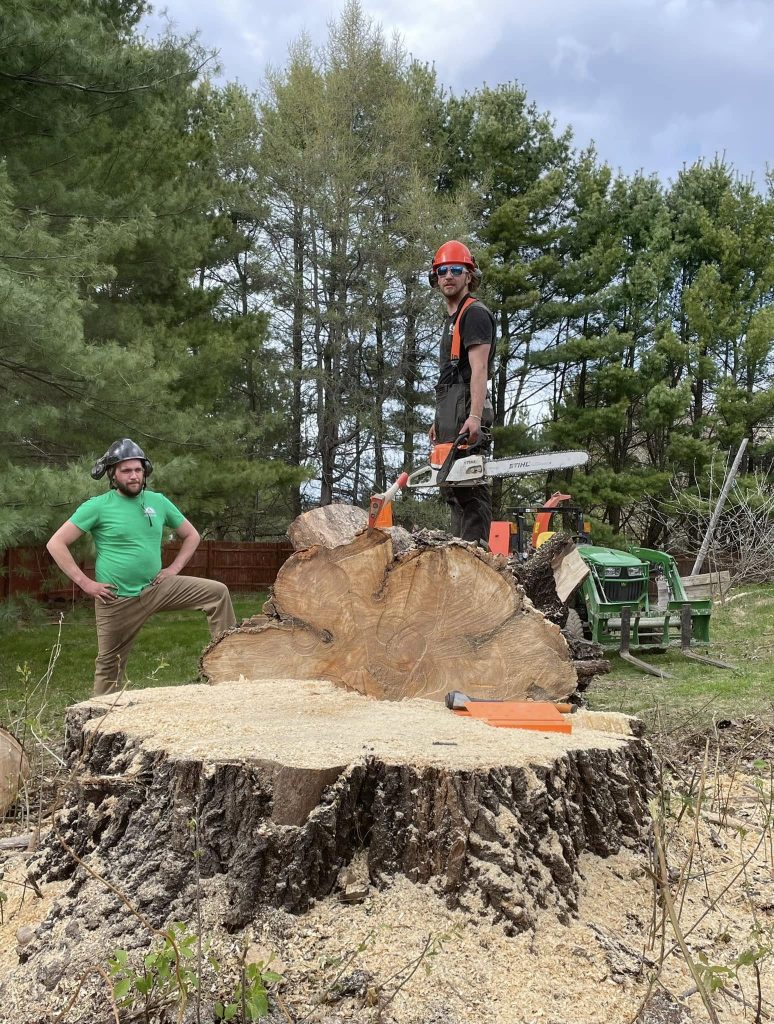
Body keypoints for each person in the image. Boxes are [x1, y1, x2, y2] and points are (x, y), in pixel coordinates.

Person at [46, 439, 236, 696]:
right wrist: (86, 583)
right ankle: (100, 723)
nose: (134, 476)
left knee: (217, 593)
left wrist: (174, 568)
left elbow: (191, 535)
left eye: (138, 470)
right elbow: (56, 543)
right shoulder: (97, 506)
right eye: (126, 471)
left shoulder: (158, 501)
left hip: (157, 587)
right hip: (116, 598)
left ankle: (229, 669)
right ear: (113, 475)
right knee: (109, 667)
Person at [428, 240, 496, 543]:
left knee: (471, 489)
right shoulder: (451, 320)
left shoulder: (475, 314)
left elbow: (479, 370)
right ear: (436, 276)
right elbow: (450, 377)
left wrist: (474, 416)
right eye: (442, 270)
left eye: (456, 269)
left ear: (469, 275)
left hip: (468, 411)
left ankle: (475, 553)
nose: (448, 276)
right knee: (454, 491)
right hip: (450, 416)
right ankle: (459, 554)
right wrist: (438, 421)